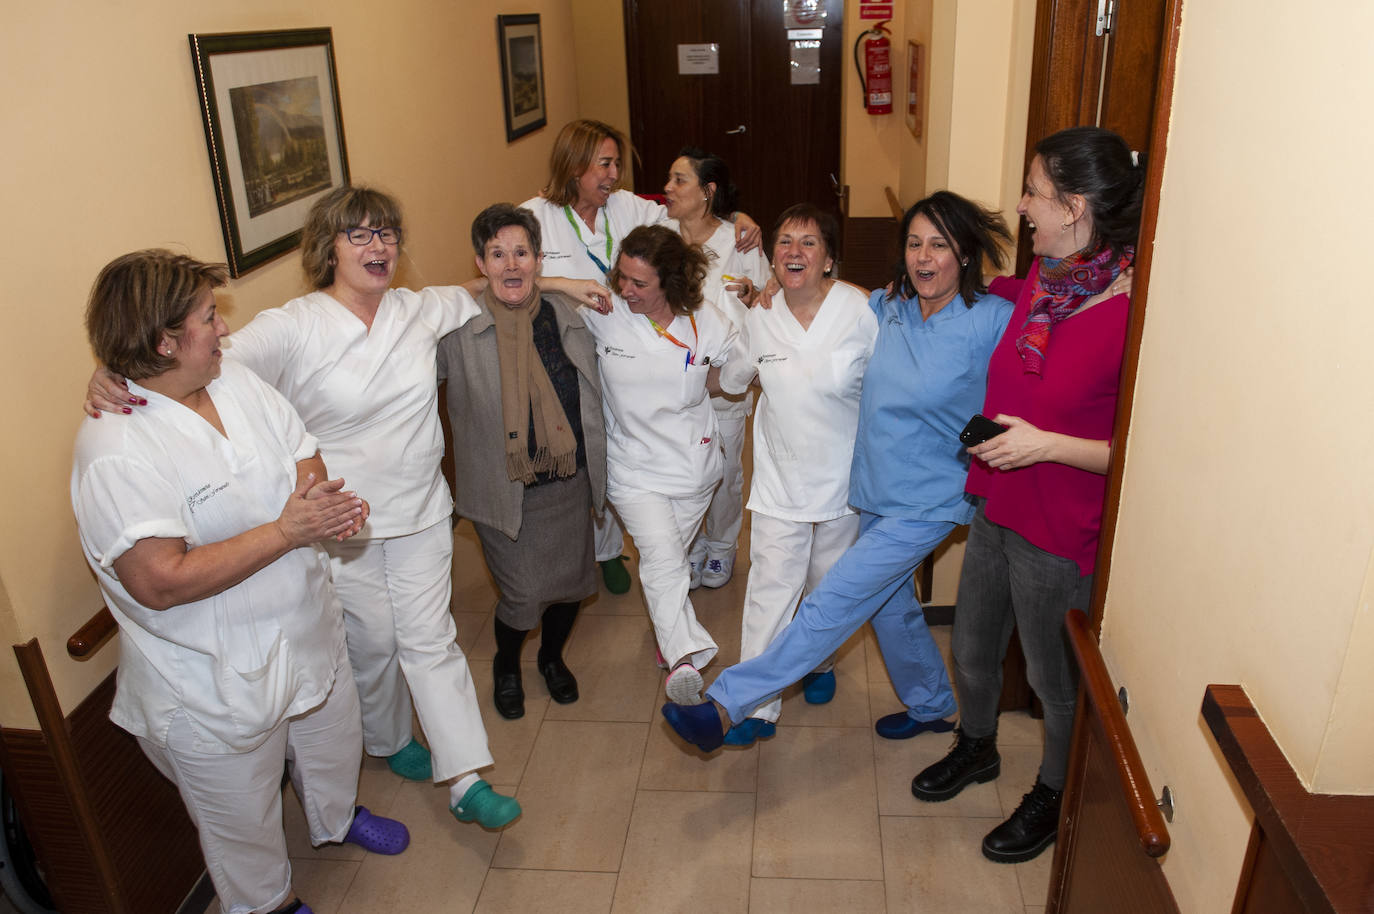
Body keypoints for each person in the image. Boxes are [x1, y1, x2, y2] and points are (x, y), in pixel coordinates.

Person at [86, 186, 522, 829]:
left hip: (424, 509)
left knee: (431, 639)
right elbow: (180, 360)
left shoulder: (421, 308)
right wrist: (109, 376)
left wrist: (568, 284)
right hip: (343, 523)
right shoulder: (291, 327)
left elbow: (493, 285)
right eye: (360, 235)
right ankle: (390, 737)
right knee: (372, 644)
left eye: (387, 233)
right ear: (329, 249)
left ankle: (464, 775)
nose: (379, 246)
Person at [71, 250, 409, 914]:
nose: (223, 329)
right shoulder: (116, 449)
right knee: (243, 825)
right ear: (164, 342)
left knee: (331, 737)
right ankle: (270, 904)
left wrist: (322, 508)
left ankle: (335, 819)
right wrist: (288, 530)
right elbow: (160, 581)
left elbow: (302, 449)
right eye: (207, 318)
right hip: (209, 683)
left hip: (304, 622)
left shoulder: (233, 384)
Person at [661, 191, 1016, 755]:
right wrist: (773, 282)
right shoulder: (887, 307)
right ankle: (932, 705)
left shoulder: (992, 318)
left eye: (941, 245)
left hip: (931, 497)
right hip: (874, 489)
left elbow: (1023, 385)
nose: (925, 257)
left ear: (966, 254)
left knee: (832, 600)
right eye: (915, 243)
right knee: (891, 606)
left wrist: (975, 443)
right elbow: (810, 305)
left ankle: (727, 703)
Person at [912, 127, 1143, 865]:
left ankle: (1054, 792)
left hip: (1061, 526)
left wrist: (1044, 444)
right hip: (999, 504)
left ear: (1075, 206)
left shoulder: (1136, 310)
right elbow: (1001, 298)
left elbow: (1139, 454)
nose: (1022, 205)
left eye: (1035, 192)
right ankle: (976, 746)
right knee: (974, 649)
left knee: (1051, 678)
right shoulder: (1047, 274)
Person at [519, 120, 760, 595]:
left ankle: (653, 553)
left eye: (616, 165)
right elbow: (506, 273)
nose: (614, 175)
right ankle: (605, 549)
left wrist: (742, 219)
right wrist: (563, 284)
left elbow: (694, 217)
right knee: (589, 455)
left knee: (621, 447)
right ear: (575, 165)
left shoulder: (627, 208)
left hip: (626, 354)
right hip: (561, 359)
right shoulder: (534, 217)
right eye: (605, 164)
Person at [708, 204, 877, 745]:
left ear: (829, 257)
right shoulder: (760, 317)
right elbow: (732, 381)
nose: (794, 252)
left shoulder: (860, 311)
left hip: (844, 483)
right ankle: (753, 705)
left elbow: (894, 385)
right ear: (772, 257)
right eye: (784, 242)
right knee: (769, 590)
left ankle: (821, 662)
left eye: (809, 242)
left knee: (826, 588)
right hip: (780, 481)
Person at [437, 203, 607, 720]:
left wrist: (557, 286)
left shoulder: (566, 316)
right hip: (503, 487)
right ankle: (507, 665)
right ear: (479, 262)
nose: (511, 266)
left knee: (572, 588)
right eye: (497, 254)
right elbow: (414, 310)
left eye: (522, 253)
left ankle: (552, 658)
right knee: (523, 596)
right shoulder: (456, 331)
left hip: (567, 479)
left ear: (538, 257)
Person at [576, 225, 738, 703]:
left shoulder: (709, 323)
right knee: (663, 559)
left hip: (693, 467)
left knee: (668, 566)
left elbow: (728, 378)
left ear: (670, 281)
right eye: (620, 276)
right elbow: (539, 295)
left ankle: (670, 637)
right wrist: (567, 284)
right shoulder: (604, 315)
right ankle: (685, 659)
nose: (626, 290)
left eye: (639, 283)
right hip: (630, 466)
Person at [662, 147, 771, 590]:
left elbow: (766, 297)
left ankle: (722, 546)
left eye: (679, 180)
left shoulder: (739, 240)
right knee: (680, 471)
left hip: (723, 382)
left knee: (724, 472)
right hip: (670, 380)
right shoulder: (658, 234)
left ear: (707, 191)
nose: (668, 188)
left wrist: (752, 289)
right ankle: (688, 547)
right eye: (669, 179)